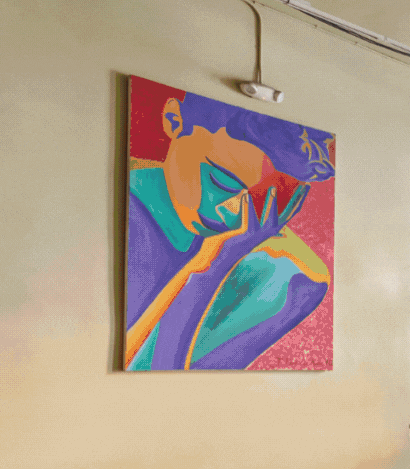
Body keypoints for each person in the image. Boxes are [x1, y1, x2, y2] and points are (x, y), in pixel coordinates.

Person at [124, 82, 335, 370]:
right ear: (174, 121)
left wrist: (219, 262)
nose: (233, 213)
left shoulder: (289, 278)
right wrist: (209, 264)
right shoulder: (119, 213)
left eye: (261, 200)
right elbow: (134, 374)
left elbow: (168, 379)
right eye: (219, 182)